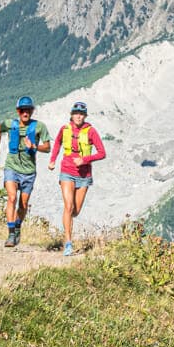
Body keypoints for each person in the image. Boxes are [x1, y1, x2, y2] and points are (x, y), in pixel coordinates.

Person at [0, 96, 50, 247]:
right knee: (11, 198)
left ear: (32, 111)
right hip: (12, 167)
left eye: (28, 110)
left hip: (29, 171)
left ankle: (17, 227)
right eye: (22, 110)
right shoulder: (11, 124)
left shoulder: (39, 127)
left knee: (23, 204)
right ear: (18, 111)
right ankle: (10, 234)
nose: (25, 112)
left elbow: (48, 147)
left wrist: (34, 147)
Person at [50, 100, 106, 256]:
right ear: (72, 115)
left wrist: (85, 159)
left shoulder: (91, 131)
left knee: (76, 210)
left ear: (85, 116)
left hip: (84, 175)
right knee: (68, 206)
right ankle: (68, 242)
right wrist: (52, 160)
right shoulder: (64, 129)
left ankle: (69, 219)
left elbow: (102, 153)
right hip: (66, 171)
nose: (78, 117)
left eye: (81, 114)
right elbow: (57, 144)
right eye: (76, 113)